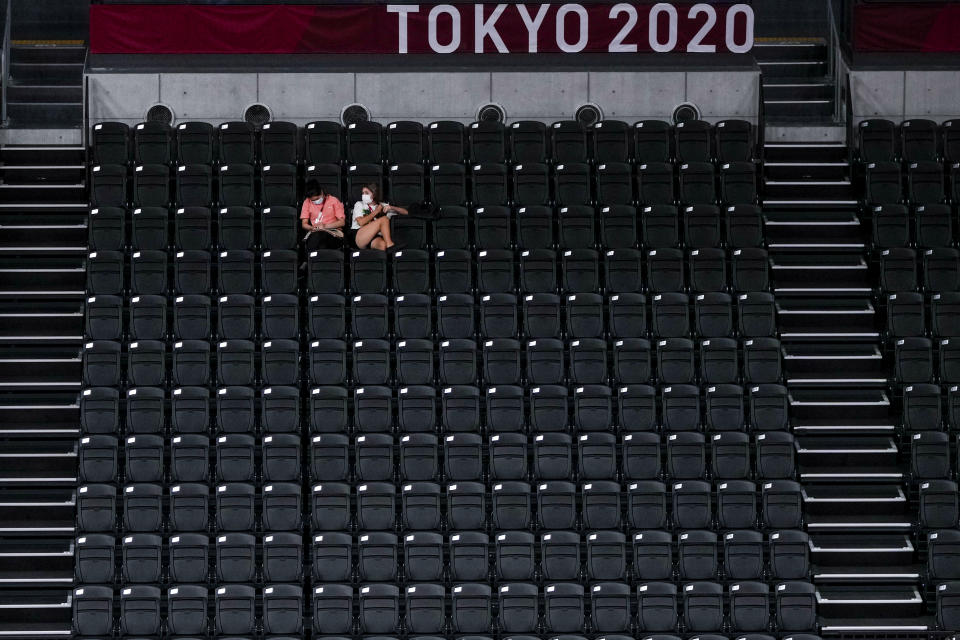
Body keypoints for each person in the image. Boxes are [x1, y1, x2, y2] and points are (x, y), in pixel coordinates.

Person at [351, 184, 408, 252]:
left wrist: (391, 207)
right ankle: (390, 246)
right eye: (362, 193)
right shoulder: (359, 204)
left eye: (366, 193)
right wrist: (377, 211)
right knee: (384, 219)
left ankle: (381, 258)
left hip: (374, 237)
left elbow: (406, 212)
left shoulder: (382, 205)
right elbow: (361, 222)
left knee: (383, 245)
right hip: (358, 235)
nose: (363, 195)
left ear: (374, 194)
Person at [300, 180, 346, 251]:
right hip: (315, 232)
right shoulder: (307, 202)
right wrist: (312, 228)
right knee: (317, 238)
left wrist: (324, 226)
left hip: (333, 233)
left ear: (321, 192)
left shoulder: (333, 200)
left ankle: (312, 258)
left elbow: (342, 222)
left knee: (321, 238)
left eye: (318, 199)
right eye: (313, 201)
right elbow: (304, 224)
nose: (316, 202)